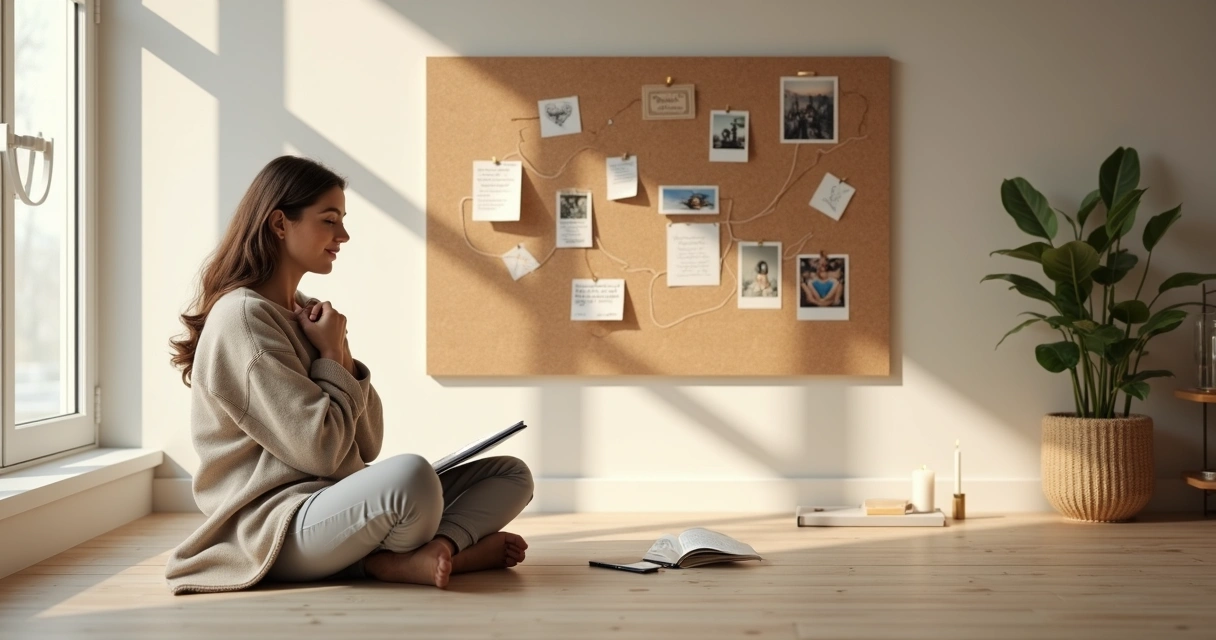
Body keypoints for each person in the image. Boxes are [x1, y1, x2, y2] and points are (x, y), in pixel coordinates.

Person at [165, 156, 533, 595]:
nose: (343, 235)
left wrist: (339, 352)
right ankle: (398, 561)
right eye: (329, 220)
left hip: (335, 504)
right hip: (277, 527)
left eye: (342, 220)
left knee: (512, 474)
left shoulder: (305, 312)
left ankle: (438, 550)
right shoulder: (243, 320)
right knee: (411, 478)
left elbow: (367, 443)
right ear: (280, 224)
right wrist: (328, 351)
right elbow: (321, 453)